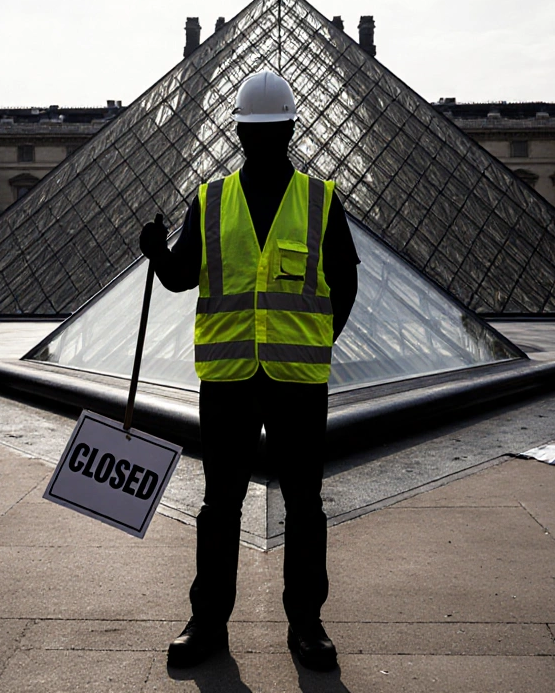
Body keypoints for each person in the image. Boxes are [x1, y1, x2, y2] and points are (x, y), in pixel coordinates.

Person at [139, 71, 359, 672]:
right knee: (221, 503)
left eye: (268, 131)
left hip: (292, 380)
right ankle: (208, 622)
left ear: (286, 131)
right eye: (254, 132)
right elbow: (182, 276)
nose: (260, 140)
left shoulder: (320, 199)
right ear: (241, 133)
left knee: (304, 504)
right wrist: (157, 251)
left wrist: (314, 340)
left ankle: (306, 623)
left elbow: (345, 280)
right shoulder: (210, 200)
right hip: (231, 377)